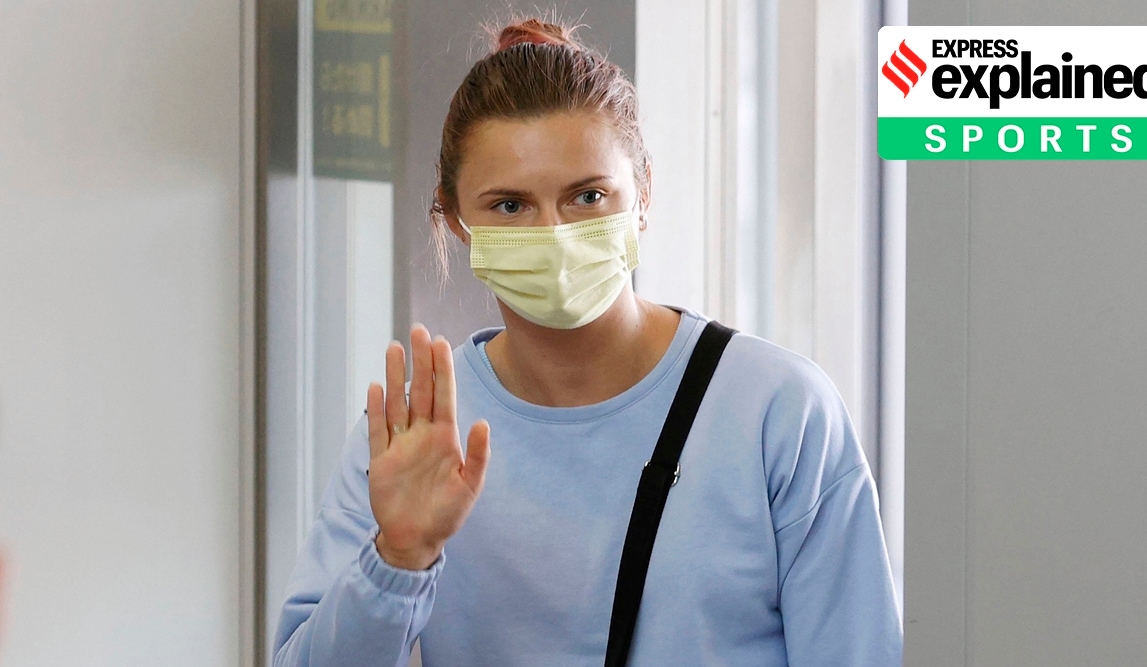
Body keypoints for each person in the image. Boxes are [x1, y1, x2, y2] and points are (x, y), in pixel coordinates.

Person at [273, 17, 901, 667]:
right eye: (510, 206)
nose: (554, 233)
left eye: (587, 195)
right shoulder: (418, 433)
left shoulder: (779, 411)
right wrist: (398, 558)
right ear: (456, 218)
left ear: (643, 194)